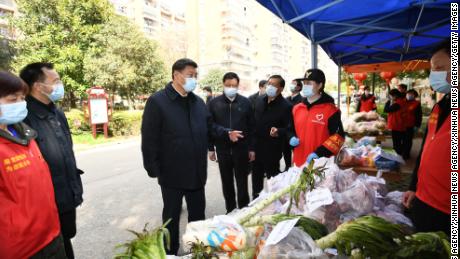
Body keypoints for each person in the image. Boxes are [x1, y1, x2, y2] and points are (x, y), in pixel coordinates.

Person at [141, 58, 243, 255]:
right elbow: (149, 137)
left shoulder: (197, 102)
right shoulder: (158, 101)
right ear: (176, 75)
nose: (194, 80)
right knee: (171, 216)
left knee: (198, 216)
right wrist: (152, 168)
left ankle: (195, 249)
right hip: (171, 172)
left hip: (196, 171)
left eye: (196, 76)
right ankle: (169, 251)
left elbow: (209, 127)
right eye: (190, 75)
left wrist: (226, 132)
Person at [20, 63, 84, 259]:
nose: (60, 85)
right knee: (54, 246)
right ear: (38, 86)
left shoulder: (57, 112)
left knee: (66, 238)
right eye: (55, 81)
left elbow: (67, 152)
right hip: (45, 200)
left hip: (66, 193)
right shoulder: (24, 117)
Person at [0, 71, 66, 259]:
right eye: (13, 100)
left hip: (51, 236)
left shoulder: (26, 135)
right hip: (20, 249)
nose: (21, 104)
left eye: (22, 98)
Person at [402, 39, 451, 237]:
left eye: (440, 68)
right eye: (433, 69)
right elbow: (425, 152)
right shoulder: (440, 107)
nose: (435, 75)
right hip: (423, 203)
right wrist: (414, 187)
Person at [208, 72, 255, 213]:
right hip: (222, 151)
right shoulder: (213, 104)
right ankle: (230, 210)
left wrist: (252, 149)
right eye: (228, 85)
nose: (231, 88)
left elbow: (252, 127)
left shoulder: (246, 103)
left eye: (234, 85)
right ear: (223, 85)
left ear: (238, 85)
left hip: (241, 150)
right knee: (227, 182)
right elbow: (209, 126)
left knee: (242, 182)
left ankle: (244, 210)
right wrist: (211, 148)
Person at [288, 68, 345, 166]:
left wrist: (319, 153)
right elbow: (289, 129)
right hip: (298, 163)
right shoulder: (297, 108)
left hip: (320, 164)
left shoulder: (331, 110)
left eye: (309, 83)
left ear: (320, 85)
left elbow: (338, 137)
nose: (305, 86)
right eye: (304, 83)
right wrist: (291, 137)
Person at [252, 75, 291, 199]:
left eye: (274, 84)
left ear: (281, 88)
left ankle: (273, 204)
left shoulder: (286, 106)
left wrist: (279, 131)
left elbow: (290, 129)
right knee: (256, 178)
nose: (270, 86)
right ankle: (256, 201)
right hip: (256, 148)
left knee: (273, 181)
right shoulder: (259, 100)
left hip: (272, 150)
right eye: (269, 83)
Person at [281, 79, 303, 171]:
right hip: (286, 129)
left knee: (297, 151)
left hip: (296, 131)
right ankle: (287, 167)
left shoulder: (302, 100)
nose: (291, 86)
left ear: (298, 87)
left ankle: (298, 168)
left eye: (293, 84)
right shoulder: (286, 99)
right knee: (286, 150)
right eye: (291, 83)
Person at [384, 89, 407, 155]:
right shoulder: (399, 102)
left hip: (397, 125)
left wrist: (388, 101)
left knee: (397, 142)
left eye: (391, 96)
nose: (390, 97)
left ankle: (397, 154)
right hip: (399, 124)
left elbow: (386, 110)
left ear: (395, 95)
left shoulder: (398, 103)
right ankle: (398, 153)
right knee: (398, 141)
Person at [402, 89, 422, 159]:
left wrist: (417, 125)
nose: (409, 95)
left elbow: (419, 115)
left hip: (410, 125)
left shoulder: (416, 103)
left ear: (414, 95)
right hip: (401, 124)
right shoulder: (402, 101)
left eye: (411, 94)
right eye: (408, 93)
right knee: (402, 140)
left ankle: (406, 154)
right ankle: (401, 153)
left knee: (408, 140)